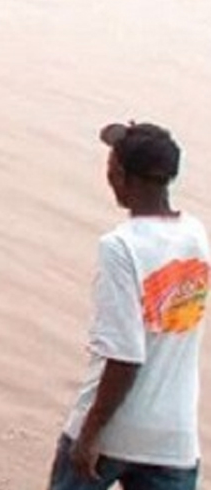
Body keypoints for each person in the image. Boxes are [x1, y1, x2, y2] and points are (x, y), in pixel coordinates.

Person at [48, 122, 209, 490]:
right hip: (173, 438)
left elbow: (125, 356)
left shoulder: (120, 247)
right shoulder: (196, 235)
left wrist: (90, 434)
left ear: (119, 175)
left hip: (112, 430)